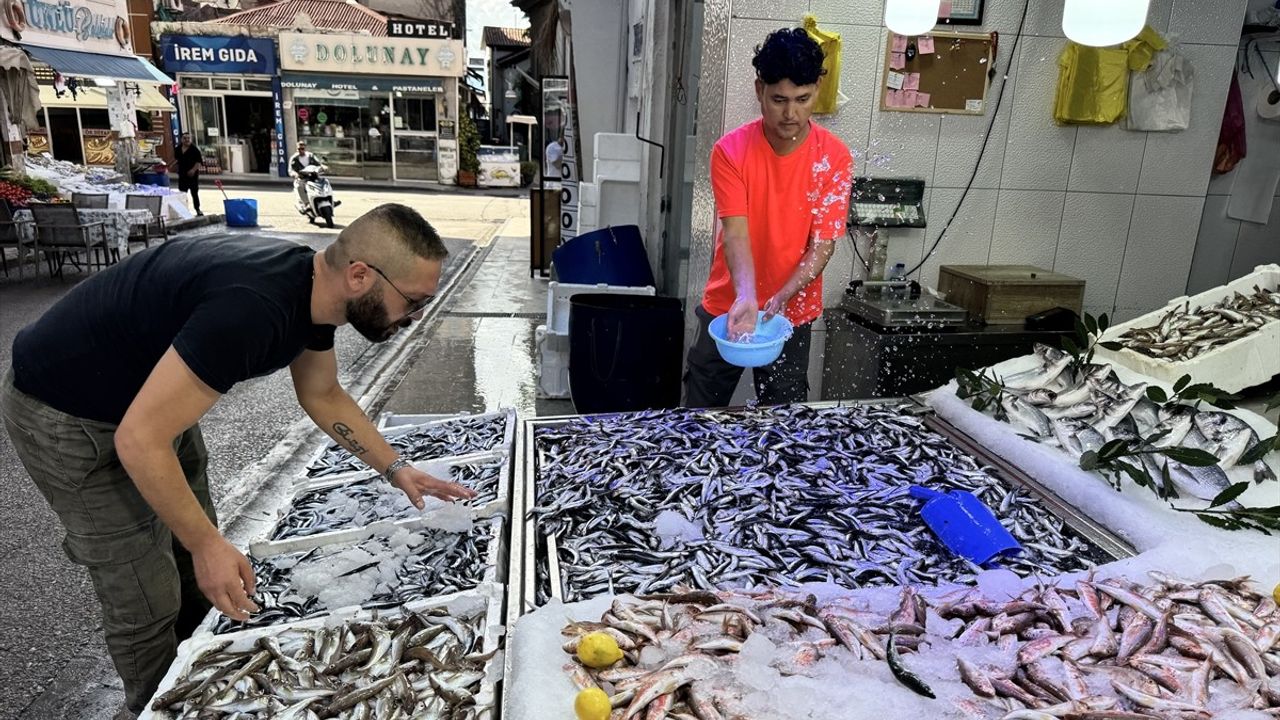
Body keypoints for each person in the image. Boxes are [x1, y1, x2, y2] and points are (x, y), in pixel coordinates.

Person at [0, 204, 475, 719]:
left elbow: (322, 394)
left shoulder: (314, 291)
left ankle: (203, 670)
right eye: (413, 301)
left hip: (150, 402)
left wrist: (396, 469)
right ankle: (157, 704)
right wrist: (207, 545)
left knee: (194, 559)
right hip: (68, 412)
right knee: (143, 587)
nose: (415, 316)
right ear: (359, 276)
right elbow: (140, 441)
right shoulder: (252, 309)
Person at [684, 27, 853, 408]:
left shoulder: (834, 158)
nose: (791, 114)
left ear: (818, 88)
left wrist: (782, 295)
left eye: (802, 99)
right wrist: (747, 295)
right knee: (700, 409)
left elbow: (822, 246)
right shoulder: (731, 151)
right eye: (779, 100)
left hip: (792, 311)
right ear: (760, 90)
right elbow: (735, 233)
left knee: (784, 416)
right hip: (728, 304)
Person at [172, 133, 204, 216]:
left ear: (191, 139)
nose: (187, 140)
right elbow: (177, 159)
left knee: (194, 193)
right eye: (185, 138)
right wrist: (172, 166)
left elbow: (198, 162)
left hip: (192, 175)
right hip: (182, 175)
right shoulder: (178, 149)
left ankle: (197, 209)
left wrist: (193, 170)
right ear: (181, 139)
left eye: (188, 138)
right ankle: (183, 210)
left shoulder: (195, 150)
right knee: (182, 193)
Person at [289, 140, 321, 209]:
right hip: (301, 178)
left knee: (324, 182)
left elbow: (318, 163)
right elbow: (290, 170)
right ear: (296, 149)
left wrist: (322, 167)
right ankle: (306, 203)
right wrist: (295, 174)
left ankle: (329, 199)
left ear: (305, 148)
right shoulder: (294, 158)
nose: (300, 150)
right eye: (299, 149)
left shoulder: (311, 155)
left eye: (302, 149)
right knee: (299, 186)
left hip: (313, 176)